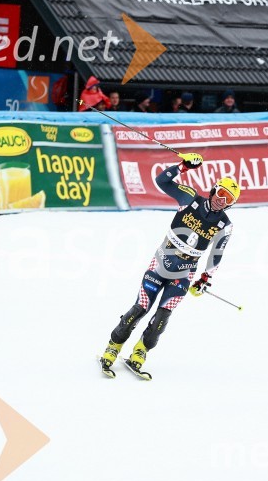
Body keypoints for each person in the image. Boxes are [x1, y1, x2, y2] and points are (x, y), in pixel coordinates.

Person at [99, 153, 240, 379]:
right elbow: (161, 181)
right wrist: (183, 167)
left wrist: (205, 279)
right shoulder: (190, 198)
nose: (221, 201)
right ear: (214, 189)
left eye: (228, 200)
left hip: (184, 274)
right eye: (221, 194)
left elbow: (217, 253)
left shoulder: (225, 225)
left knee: (162, 317)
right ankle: (113, 347)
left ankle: (140, 353)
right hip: (160, 264)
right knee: (140, 308)